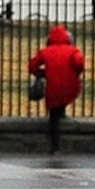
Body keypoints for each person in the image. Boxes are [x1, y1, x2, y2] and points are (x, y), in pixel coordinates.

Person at [27, 22, 87, 153]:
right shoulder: (73, 51)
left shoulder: (45, 52)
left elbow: (32, 66)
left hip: (52, 86)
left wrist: (41, 73)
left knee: (53, 116)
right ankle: (62, 111)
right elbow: (79, 63)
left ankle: (55, 147)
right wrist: (75, 73)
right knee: (62, 101)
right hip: (70, 84)